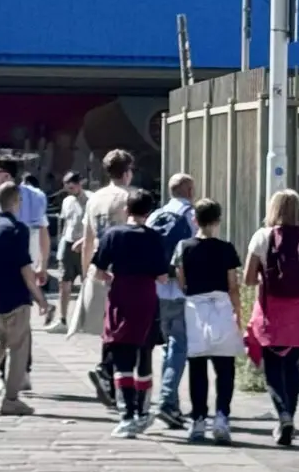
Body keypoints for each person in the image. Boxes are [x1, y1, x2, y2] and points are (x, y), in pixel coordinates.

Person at [243, 189, 299, 448]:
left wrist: (265, 277)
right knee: (292, 366)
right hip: (298, 311)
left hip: (270, 312)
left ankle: (283, 416)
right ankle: (289, 415)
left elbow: (248, 278)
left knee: (272, 369)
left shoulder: (262, 236)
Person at [93, 187, 171, 437]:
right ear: (149, 212)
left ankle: (126, 416)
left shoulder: (113, 234)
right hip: (147, 298)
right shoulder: (155, 237)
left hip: (121, 297)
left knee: (122, 357)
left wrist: (112, 277)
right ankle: (143, 411)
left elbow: (98, 271)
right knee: (144, 356)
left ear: (126, 209)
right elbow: (162, 277)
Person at [0, 181, 49, 415]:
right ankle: (11, 399)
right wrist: (40, 298)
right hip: (15, 296)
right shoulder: (18, 229)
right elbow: (25, 268)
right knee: (18, 348)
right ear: (16, 201)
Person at [174, 198, 242, 444]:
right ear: (218, 221)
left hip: (195, 307)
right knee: (225, 367)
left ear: (195, 220)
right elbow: (233, 285)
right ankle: (222, 417)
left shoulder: (184, 247)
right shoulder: (227, 248)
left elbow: (180, 279)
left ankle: (199, 420)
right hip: (222, 305)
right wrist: (238, 312)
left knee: (197, 367)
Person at [72, 149, 134, 408]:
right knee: (125, 329)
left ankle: (108, 375)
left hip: (99, 267)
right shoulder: (129, 197)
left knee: (109, 326)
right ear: (127, 172)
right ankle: (109, 372)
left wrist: (86, 271)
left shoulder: (95, 198)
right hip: (124, 268)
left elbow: (88, 239)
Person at [147, 172, 196, 429]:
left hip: (157, 288)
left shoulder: (156, 215)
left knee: (169, 345)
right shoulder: (191, 215)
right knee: (179, 346)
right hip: (180, 289)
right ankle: (167, 401)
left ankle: (172, 404)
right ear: (189, 190)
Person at [51, 171, 87, 331]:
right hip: (68, 244)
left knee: (87, 284)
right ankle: (63, 319)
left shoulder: (90, 200)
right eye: (67, 188)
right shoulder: (67, 201)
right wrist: (61, 246)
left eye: (72, 187)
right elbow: (65, 224)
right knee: (64, 282)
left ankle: (84, 320)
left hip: (84, 245)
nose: (69, 191)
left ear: (80, 184)